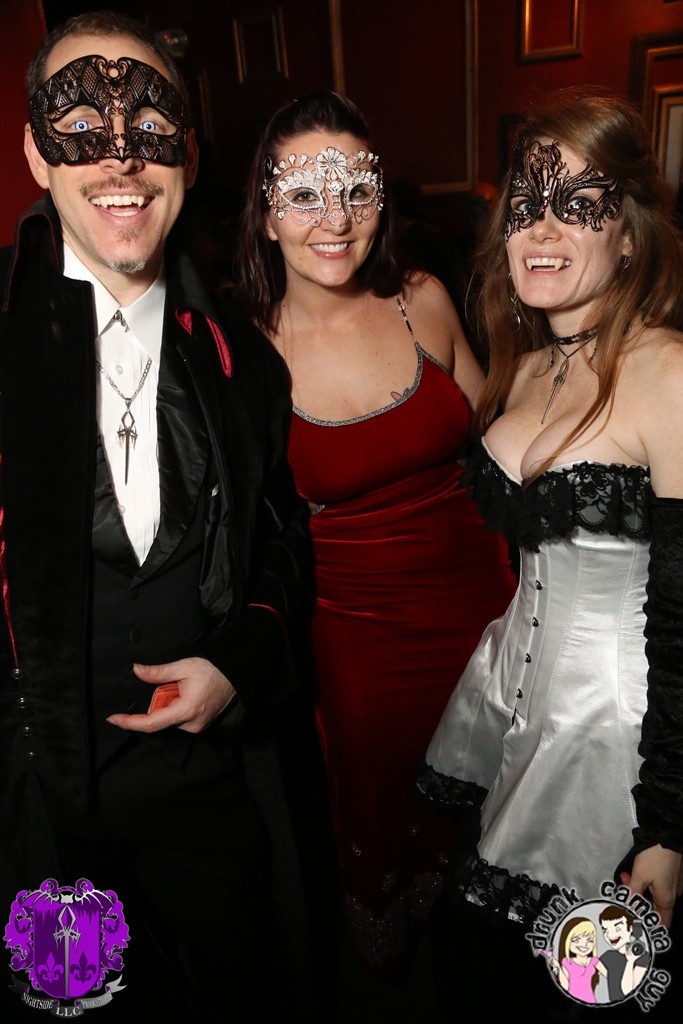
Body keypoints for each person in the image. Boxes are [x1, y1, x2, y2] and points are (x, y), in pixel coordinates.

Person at [0, 11, 312, 1022]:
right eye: (80, 126)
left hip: (204, 794)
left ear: (189, 157)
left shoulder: (243, 362)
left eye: (150, 126)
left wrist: (238, 661)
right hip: (37, 810)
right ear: (35, 155)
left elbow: (281, 541)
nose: (120, 157)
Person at [418, 86, 683, 1019]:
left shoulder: (666, 371)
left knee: (589, 988)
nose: (542, 226)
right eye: (526, 201)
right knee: (481, 972)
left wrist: (667, 827)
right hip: (510, 709)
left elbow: (681, 623)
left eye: (579, 203)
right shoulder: (524, 367)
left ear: (630, 233)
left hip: (618, 748)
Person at [236, 91, 516, 970]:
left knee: (504, 817)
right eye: (304, 194)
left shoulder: (420, 298)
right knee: (390, 821)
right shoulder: (246, 352)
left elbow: (499, 433)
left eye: (354, 189)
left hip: (487, 611)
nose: (335, 219)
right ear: (265, 213)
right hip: (360, 642)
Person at [599, 906, 650, 1001]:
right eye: (605, 930)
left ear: (630, 929)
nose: (610, 935)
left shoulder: (643, 957)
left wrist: (630, 961)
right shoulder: (608, 956)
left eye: (617, 929)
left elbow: (628, 991)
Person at [550, 917, 607, 1004]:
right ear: (567, 941)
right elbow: (565, 986)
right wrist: (558, 967)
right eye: (576, 940)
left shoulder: (594, 961)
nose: (584, 944)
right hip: (571, 1002)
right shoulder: (566, 962)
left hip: (590, 1001)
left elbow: (610, 976)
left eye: (590, 940)